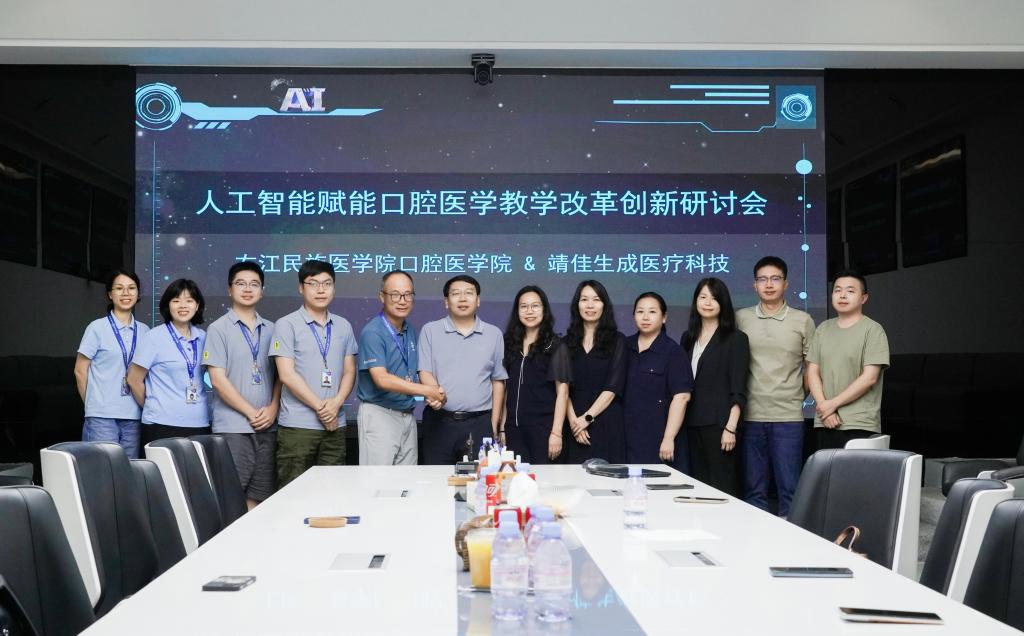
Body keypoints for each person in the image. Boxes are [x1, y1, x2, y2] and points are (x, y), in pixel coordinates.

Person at [736, 256, 816, 516]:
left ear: (786, 283)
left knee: (789, 489)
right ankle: (755, 537)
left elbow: (812, 366)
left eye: (775, 279)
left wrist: (797, 396)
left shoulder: (802, 320)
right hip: (751, 415)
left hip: (788, 416)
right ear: (754, 285)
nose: (769, 284)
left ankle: (790, 539)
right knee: (753, 490)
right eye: (762, 279)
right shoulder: (741, 318)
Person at [270, 260, 357, 488]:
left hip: (335, 426)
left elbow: (350, 370)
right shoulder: (286, 324)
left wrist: (336, 403)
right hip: (298, 427)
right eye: (313, 283)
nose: (321, 290)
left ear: (334, 288)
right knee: (292, 494)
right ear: (301, 288)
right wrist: (322, 409)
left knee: (332, 493)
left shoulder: (343, 326)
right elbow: (286, 374)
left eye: (327, 283)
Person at [203, 261, 281, 509]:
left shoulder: (273, 329)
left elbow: (281, 376)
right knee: (231, 496)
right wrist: (250, 412)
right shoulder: (218, 329)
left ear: (262, 291)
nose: (248, 289)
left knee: (260, 498)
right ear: (230, 289)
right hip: (233, 428)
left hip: (267, 427)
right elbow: (217, 380)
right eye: (241, 283)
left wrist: (273, 408)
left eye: (254, 284)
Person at [356, 270, 445, 465]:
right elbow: (382, 379)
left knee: (406, 480)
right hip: (380, 414)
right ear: (382, 297)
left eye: (408, 295)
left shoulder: (409, 329)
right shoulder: (373, 332)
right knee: (377, 480)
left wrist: (434, 396)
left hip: (407, 415)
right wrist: (427, 390)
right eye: (395, 295)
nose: (402, 301)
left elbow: (412, 375)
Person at [417, 275, 507, 465]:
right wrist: (437, 396)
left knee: (479, 478)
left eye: (469, 293)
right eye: (456, 293)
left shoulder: (494, 334)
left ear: (478, 300)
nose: (463, 298)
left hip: (480, 422)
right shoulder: (430, 330)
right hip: (439, 421)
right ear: (446, 302)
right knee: (436, 478)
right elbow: (424, 371)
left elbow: (498, 380)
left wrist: (493, 423)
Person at [806, 270, 890, 450]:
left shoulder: (873, 330)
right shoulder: (823, 329)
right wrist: (824, 408)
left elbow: (870, 378)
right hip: (825, 420)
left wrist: (832, 404)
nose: (842, 295)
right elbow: (812, 371)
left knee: (856, 469)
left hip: (859, 422)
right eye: (837, 290)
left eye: (850, 291)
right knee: (825, 469)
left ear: (863, 298)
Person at [680, 278, 749, 496]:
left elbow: (739, 387)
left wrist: (730, 428)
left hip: (720, 426)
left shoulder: (736, 338)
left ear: (723, 303)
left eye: (714, 298)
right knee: (698, 488)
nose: (707, 302)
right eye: (703, 297)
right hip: (691, 424)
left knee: (722, 488)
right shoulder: (688, 338)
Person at [74, 269, 151, 458]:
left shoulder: (145, 331)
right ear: (110, 294)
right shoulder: (97, 328)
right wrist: (92, 405)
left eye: (131, 288)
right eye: (119, 288)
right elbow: (80, 371)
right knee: (103, 468)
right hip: (102, 416)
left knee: (129, 468)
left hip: (133, 415)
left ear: (138, 294)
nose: (126, 293)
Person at [128, 279, 210, 445]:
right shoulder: (154, 337)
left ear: (197, 305)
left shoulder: (204, 337)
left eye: (189, 301)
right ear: (168, 305)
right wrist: (153, 405)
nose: (183, 306)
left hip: (199, 422)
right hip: (160, 423)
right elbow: (133, 379)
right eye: (176, 301)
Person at [501, 285, 571, 464]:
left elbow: (563, 392)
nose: (529, 311)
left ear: (544, 310)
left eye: (535, 306)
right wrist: (502, 428)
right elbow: (506, 390)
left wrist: (556, 433)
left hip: (544, 430)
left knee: (544, 479)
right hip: (513, 429)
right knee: (514, 478)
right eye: (524, 306)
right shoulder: (509, 343)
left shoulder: (555, 345)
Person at [623, 292, 693, 469]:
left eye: (652, 312)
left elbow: (682, 397)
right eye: (640, 311)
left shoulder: (673, 351)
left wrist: (669, 438)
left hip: (659, 437)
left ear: (664, 317)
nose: (645, 317)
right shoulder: (624, 347)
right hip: (627, 436)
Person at [564, 280, 627, 464]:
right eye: (584, 299)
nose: (590, 305)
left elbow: (613, 387)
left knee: (608, 476)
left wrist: (587, 418)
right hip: (574, 425)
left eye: (596, 299)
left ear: (604, 305)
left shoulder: (618, 340)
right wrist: (575, 423)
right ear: (577, 305)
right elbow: (562, 388)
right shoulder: (565, 343)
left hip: (607, 420)